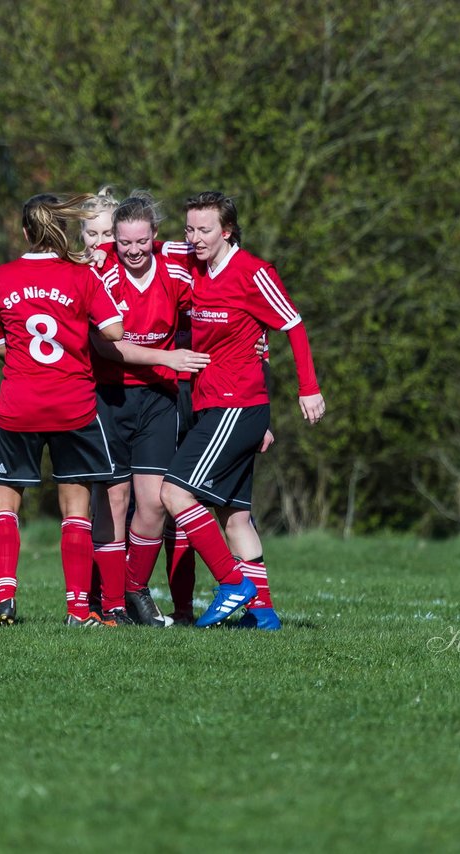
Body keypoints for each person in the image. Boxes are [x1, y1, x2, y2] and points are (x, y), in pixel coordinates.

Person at [160, 191, 326, 630]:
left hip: (236, 406)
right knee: (235, 518)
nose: (195, 237)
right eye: (190, 229)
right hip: (214, 405)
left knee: (174, 494)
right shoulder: (194, 261)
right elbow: (143, 243)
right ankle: (265, 617)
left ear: (227, 230)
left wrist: (307, 389)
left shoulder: (253, 272)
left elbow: (292, 324)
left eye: (205, 229)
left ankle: (232, 583)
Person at [0, 193, 126, 627]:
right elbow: (114, 330)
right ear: (64, 231)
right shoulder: (82, 276)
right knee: (76, 509)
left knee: (4, 503)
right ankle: (78, 610)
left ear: (24, 232)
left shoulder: (1, 277)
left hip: (19, 403)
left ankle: (4, 599)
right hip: (73, 404)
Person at [87, 192, 209, 627]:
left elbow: (215, 284)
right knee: (113, 500)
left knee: (154, 502)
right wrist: (164, 358)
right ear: (114, 241)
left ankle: (135, 591)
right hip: (109, 395)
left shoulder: (175, 264)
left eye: (142, 241)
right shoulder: (99, 268)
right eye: (124, 243)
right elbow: (105, 343)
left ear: (155, 236)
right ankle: (106, 599)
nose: (134, 251)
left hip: (159, 401)